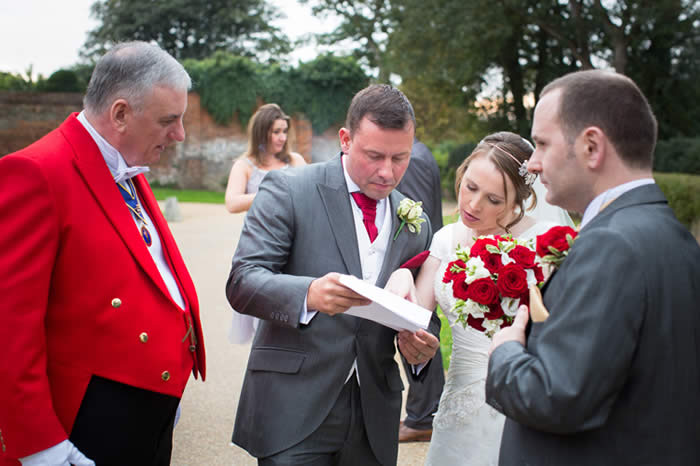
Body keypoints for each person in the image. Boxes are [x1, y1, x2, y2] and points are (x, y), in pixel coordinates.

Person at [0, 41, 206, 466]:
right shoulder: (36, 172)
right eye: (169, 120)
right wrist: (41, 446)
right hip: (86, 418)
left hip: (146, 404)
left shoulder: (124, 163)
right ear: (120, 114)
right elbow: (9, 329)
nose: (180, 134)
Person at [486, 70, 700, 465]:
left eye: (542, 144)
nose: (531, 164)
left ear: (591, 147)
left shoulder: (611, 244)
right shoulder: (676, 238)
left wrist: (506, 354)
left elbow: (559, 395)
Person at [226, 84, 441, 466]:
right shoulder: (289, 188)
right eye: (374, 156)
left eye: (400, 158)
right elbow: (243, 280)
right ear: (345, 139)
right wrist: (308, 294)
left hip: (374, 414)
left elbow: (420, 312)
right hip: (292, 406)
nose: (387, 172)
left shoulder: (415, 222)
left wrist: (421, 350)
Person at [385, 131, 573, 465]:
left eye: (494, 199)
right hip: (458, 408)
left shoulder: (546, 244)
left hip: (521, 401)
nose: (473, 205)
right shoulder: (446, 239)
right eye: (470, 187)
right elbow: (413, 314)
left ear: (520, 200)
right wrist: (401, 274)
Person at [223, 103, 306, 344]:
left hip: (296, 238)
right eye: (276, 131)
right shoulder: (245, 165)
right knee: (265, 298)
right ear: (261, 132)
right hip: (261, 241)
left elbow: (311, 192)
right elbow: (232, 202)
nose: (282, 137)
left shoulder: (296, 160)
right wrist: (272, 193)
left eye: (284, 131)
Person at [395, 138, 445, 443]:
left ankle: (423, 415)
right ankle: (422, 412)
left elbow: (411, 213)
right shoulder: (420, 151)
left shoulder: (411, 159)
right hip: (421, 256)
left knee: (416, 331)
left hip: (414, 257)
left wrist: (407, 268)